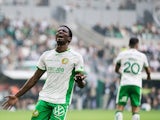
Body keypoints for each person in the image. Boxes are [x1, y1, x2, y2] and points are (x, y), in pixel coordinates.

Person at [2, 25, 87, 120]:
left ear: (69, 39)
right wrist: (17, 95)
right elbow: (34, 78)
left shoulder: (76, 57)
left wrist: (79, 81)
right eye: (58, 31)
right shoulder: (46, 55)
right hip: (44, 99)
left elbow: (82, 84)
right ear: (55, 37)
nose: (60, 32)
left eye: (64, 31)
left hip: (61, 102)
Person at [114, 37, 151, 120]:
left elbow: (116, 69)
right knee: (135, 109)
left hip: (125, 84)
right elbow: (148, 70)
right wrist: (148, 76)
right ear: (137, 45)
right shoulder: (142, 56)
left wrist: (122, 73)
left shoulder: (122, 54)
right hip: (136, 85)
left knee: (120, 108)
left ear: (129, 44)